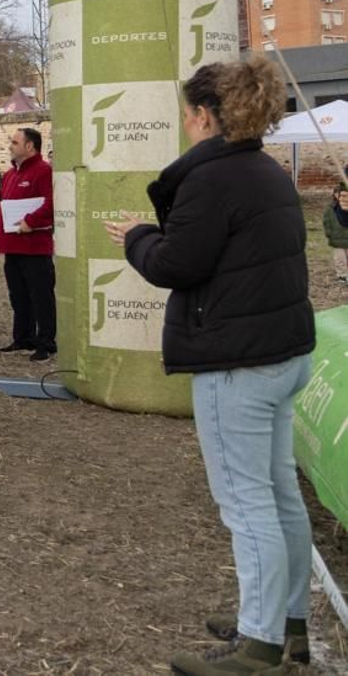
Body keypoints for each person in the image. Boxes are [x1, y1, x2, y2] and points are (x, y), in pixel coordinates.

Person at [105, 58, 314, 674]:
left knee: (247, 504)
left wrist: (138, 237)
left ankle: (259, 647)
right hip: (281, 353)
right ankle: (287, 622)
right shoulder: (265, 171)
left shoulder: (213, 178)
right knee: (279, 495)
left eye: (185, 113)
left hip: (238, 364)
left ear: (201, 115)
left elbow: (177, 264)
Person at [0, 128, 56, 362]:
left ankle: (46, 342)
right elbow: (5, 207)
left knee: (41, 297)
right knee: (18, 296)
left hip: (35, 247)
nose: (10, 146)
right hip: (12, 246)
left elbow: (51, 204)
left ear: (30, 146)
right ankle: (23, 337)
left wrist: (31, 221)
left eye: (15, 142)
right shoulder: (9, 175)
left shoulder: (44, 171)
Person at [325, 183, 348, 284]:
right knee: (340, 258)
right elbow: (326, 221)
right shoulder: (331, 208)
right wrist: (329, 232)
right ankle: (342, 275)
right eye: (337, 193)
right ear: (334, 194)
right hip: (337, 238)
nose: (339, 195)